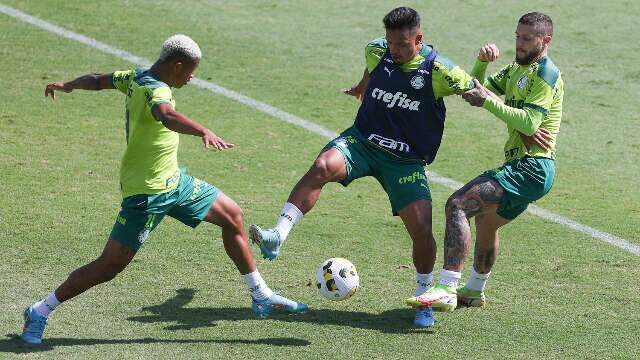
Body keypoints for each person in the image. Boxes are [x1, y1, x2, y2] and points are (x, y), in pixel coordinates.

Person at [21, 35, 307, 345]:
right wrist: (202, 131)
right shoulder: (156, 90)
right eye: (190, 72)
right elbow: (166, 116)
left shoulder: (134, 76)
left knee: (233, 216)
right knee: (109, 266)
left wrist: (70, 85)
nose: (192, 77)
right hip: (146, 193)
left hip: (175, 181)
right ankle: (40, 310)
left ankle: (260, 294)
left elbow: (98, 79)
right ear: (177, 65)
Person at [249, 7, 475, 327]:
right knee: (322, 166)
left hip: (404, 160)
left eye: (401, 44)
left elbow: (475, 91)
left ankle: (424, 298)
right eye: (390, 43)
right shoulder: (377, 51)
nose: (393, 51)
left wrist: (485, 84)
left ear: (419, 39)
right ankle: (277, 236)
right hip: (363, 143)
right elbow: (373, 69)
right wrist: (361, 86)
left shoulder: (439, 70)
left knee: (422, 229)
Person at [407, 12, 563, 311]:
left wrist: (491, 102)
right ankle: (474, 291)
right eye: (517, 36)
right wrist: (481, 61)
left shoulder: (546, 73)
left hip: (532, 166)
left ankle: (446, 287)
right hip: (528, 168)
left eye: (527, 39)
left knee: (458, 204)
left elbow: (530, 123)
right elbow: (473, 89)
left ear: (546, 41)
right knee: (487, 222)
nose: (519, 43)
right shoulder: (516, 70)